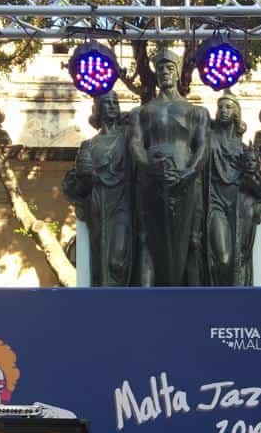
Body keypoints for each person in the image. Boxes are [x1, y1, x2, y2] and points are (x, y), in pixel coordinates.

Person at [129, 48, 209, 285]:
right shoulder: (141, 112)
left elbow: (203, 145)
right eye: (161, 68)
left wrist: (189, 172)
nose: (165, 72)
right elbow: (136, 143)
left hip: (185, 179)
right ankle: (146, 296)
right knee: (147, 237)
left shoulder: (196, 112)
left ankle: (193, 296)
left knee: (191, 240)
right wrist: (148, 167)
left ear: (177, 73)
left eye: (169, 68)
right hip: (151, 180)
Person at [62, 91, 134, 286]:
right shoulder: (88, 145)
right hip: (98, 206)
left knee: (118, 261)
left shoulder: (129, 138)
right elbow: (80, 187)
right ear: (97, 109)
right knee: (100, 259)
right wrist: (84, 176)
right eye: (107, 102)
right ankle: (104, 299)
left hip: (123, 204)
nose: (112, 106)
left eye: (115, 102)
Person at [206, 92, 261, 286]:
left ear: (236, 112)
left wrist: (251, 179)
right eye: (220, 107)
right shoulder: (209, 142)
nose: (223, 110)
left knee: (239, 258)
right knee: (223, 258)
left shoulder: (244, 150)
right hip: (216, 204)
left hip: (238, 207)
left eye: (228, 107)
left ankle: (233, 298)